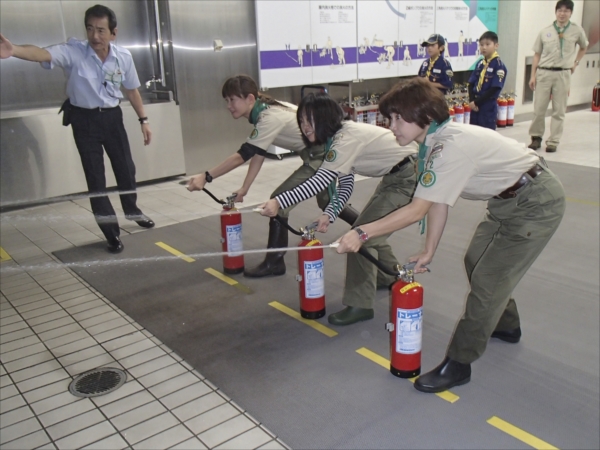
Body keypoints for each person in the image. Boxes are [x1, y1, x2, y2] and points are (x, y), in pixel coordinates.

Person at [336, 77, 566, 392]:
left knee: (488, 282)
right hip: (506, 202)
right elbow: (436, 201)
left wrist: (362, 232)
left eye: (399, 118)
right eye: (389, 118)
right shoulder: (431, 143)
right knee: (476, 260)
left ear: (426, 118)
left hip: (535, 203)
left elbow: (417, 209)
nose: (392, 126)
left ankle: (459, 363)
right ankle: (507, 325)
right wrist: (429, 251)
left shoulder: (447, 147)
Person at [0, 4, 155, 254]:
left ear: (113, 33)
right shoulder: (74, 52)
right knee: (96, 179)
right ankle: (111, 233)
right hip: (84, 121)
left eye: (101, 30)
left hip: (113, 118)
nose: (95, 36)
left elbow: (131, 90)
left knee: (126, 168)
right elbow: (42, 54)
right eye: (90, 29)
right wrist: (13, 50)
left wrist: (143, 120)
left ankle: (132, 209)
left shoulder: (123, 56)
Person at [260, 93, 418, 326]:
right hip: (398, 176)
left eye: (309, 120)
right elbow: (345, 184)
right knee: (366, 228)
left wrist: (279, 201)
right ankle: (387, 276)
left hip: (407, 179)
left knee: (361, 236)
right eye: (301, 121)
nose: (304, 127)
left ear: (324, 118)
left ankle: (360, 305)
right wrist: (330, 213)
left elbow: (320, 181)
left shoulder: (345, 139)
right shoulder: (339, 139)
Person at [186, 75, 359, 277]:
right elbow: (259, 151)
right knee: (329, 201)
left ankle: (274, 262)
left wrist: (206, 176)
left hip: (321, 155)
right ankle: (366, 228)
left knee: (280, 201)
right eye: (227, 100)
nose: (228, 106)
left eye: (232, 100)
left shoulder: (269, 116)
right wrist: (245, 188)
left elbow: (243, 155)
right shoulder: (267, 110)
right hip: (318, 153)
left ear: (250, 98)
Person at [528, 0, 588, 153]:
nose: (562, 13)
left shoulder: (576, 30)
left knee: (559, 110)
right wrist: (532, 76)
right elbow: (537, 55)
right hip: (544, 72)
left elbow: (584, 46)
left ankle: (553, 141)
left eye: (566, 11)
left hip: (563, 73)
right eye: (560, 10)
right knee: (539, 108)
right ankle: (536, 138)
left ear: (571, 13)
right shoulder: (545, 31)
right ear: (556, 12)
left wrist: (575, 62)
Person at [468, 31, 507, 130]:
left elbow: (494, 88)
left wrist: (477, 102)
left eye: (487, 44)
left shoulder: (498, 65)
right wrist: (472, 100)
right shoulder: (480, 63)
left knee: (486, 135)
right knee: (474, 133)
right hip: (475, 105)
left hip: (487, 105)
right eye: (481, 45)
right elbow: (471, 83)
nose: (484, 47)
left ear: (496, 45)